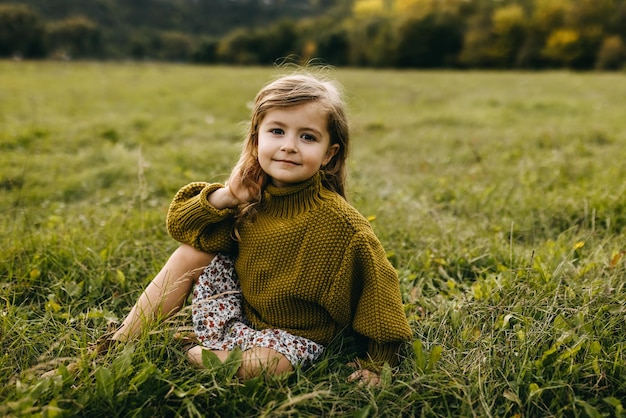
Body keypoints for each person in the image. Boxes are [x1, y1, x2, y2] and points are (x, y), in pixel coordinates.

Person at [109, 70, 412, 385]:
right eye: (277, 131)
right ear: (257, 139)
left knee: (272, 366)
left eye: (307, 137)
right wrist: (226, 196)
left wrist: (379, 364)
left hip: (296, 337)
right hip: (241, 313)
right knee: (191, 252)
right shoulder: (250, 198)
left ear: (329, 154)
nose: (289, 146)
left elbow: (379, 295)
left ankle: (191, 352)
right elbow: (181, 226)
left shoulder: (342, 226)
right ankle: (122, 343)